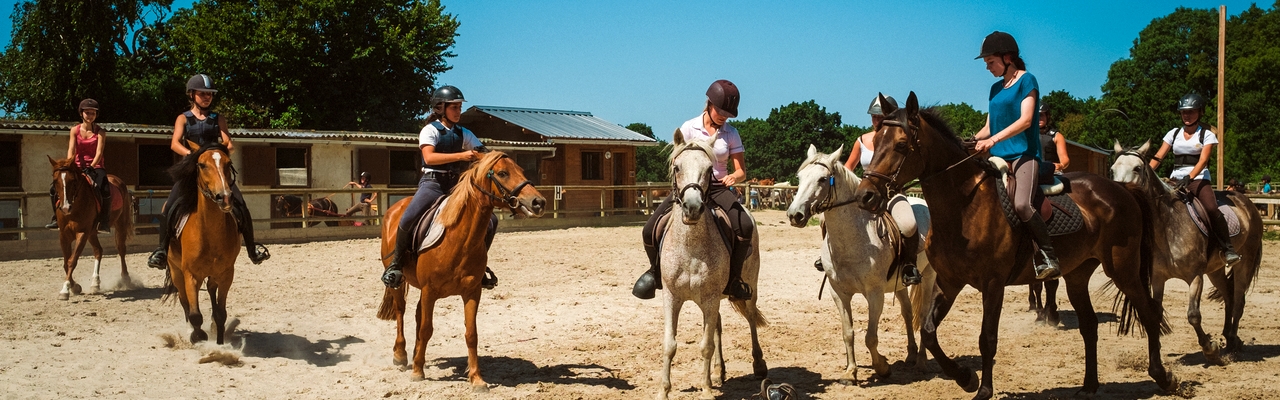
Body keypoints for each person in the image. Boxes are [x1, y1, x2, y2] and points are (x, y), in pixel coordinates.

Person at [633, 79, 754, 300]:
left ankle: (734, 280)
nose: (723, 117)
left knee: (745, 226)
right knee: (649, 229)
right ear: (709, 103)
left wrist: (733, 177)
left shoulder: (731, 134)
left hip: (717, 187)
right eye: (720, 111)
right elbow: (677, 160)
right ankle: (655, 273)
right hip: (689, 188)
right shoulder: (689, 128)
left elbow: (741, 171)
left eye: (728, 114)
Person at [380, 85, 500, 290]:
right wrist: (462, 156)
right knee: (409, 216)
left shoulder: (464, 133)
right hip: (433, 184)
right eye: (454, 107)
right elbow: (429, 157)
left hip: (456, 186)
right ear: (440, 108)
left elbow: (483, 153)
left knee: (491, 220)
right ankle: (396, 264)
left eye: (460, 107)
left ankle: (479, 266)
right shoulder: (430, 130)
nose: (458, 111)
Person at [147, 74, 271, 269]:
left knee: (241, 204)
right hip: (192, 169)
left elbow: (228, 142)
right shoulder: (183, 118)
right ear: (192, 94)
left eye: (210, 94)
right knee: (170, 206)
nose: (207, 97)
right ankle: (161, 250)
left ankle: (252, 248)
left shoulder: (217, 118)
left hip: (215, 170)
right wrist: (192, 155)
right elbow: (174, 143)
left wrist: (224, 151)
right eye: (203, 93)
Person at [971, 31, 1060, 280]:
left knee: (1022, 204)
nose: (988, 67)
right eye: (987, 63)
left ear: (1008, 58)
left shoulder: (1027, 81)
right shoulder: (994, 89)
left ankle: (1047, 255)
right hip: (997, 158)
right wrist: (970, 141)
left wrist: (994, 139)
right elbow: (989, 128)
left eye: (991, 62)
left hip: (1024, 155)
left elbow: (1026, 120)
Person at [1146, 93, 1240, 265]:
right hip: (1174, 180)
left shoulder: (1207, 135)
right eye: (1183, 112)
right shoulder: (1173, 134)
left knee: (1211, 208)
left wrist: (1190, 177)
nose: (1187, 115)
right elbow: (1159, 155)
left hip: (1198, 179)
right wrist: (1146, 171)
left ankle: (1227, 249)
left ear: (1200, 112)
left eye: (1191, 111)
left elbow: (1203, 160)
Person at [841, 95, 921, 286]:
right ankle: (829, 258)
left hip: (892, 193)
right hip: (865, 194)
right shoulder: (861, 140)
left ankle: (909, 265)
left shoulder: (896, 138)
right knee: (825, 219)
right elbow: (848, 169)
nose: (876, 120)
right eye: (874, 116)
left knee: (909, 224)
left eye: (880, 116)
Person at [47, 99, 111, 232]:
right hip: (76, 165)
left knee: (104, 188)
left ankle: (104, 221)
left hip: (95, 166)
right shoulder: (74, 130)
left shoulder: (100, 132)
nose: (90, 115)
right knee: (54, 188)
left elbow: (99, 152)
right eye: (87, 112)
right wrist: (70, 163)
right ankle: (56, 218)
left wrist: (92, 166)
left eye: (93, 113)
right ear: (81, 114)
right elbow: (71, 148)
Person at [1039, 104, 1070, 174]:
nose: (1038, 118)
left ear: (1047, 117)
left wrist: (1061, 165)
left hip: (1052, 172)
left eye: (1041, 115)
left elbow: (1065, 159)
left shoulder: (1057, 136)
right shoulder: (1026, 135)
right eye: (1036, 115)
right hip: (1032, 170)